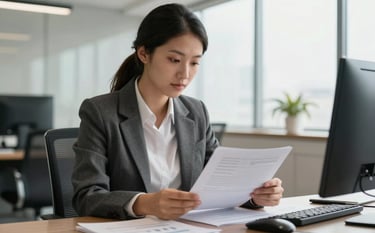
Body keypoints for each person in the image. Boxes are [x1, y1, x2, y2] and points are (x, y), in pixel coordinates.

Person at [71, 3, 284, 220]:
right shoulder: (100, 112)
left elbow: (219, 183)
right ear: (144, 53)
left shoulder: (196, 111)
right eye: (174, 60)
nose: (185, 73)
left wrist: (255, 196)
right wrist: (145, 203)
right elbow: (87, 196)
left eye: (194, 63)